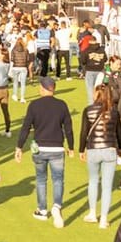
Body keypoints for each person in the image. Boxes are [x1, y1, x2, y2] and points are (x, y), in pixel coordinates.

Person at [13, 77, 74, 226]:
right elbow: (68, 128)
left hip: (40, 148)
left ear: (42, 88)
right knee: (58, 179)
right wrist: (71, 147)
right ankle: (56, 206)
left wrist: (19, 147)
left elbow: (26, 127)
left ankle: (42, 210)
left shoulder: (34, 105)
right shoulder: (61, 105)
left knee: (41, 179)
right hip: (57, 148)